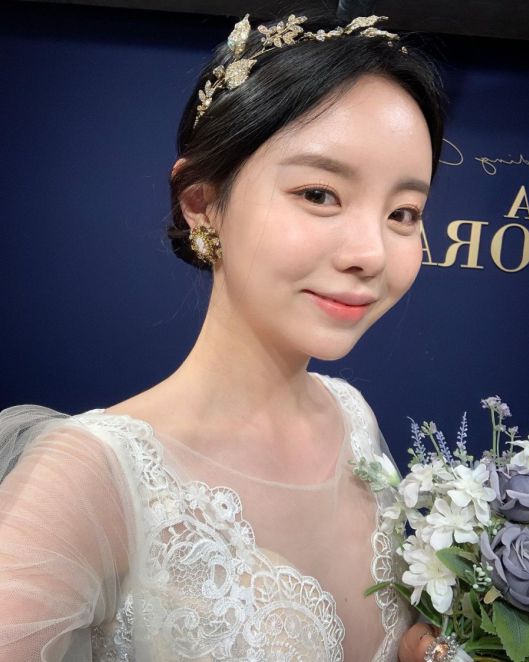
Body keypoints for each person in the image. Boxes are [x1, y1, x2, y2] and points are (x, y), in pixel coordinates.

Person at [0, 10, 448, 662]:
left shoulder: (352, 418)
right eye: (319, 194)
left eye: (403, 213)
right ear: (202, 203)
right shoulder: (87, 481)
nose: (370, 253)